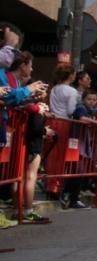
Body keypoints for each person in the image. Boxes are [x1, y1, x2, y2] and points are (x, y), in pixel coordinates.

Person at [1, 52, 50, 222]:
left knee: (14, 173)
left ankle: (21, 209)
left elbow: (14, 101)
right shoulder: (5, 76)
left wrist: (31, 100)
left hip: (9, 130)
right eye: (30, 65)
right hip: (10, 129)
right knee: (21, 174)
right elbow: (8, 98)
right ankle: (24, 210)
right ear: (22, 65)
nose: (32, 68)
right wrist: (31, 97)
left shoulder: (15, 81)